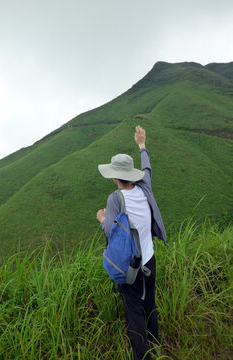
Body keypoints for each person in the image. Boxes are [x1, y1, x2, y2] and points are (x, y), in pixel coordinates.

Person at [96, 125, 166, 360]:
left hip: (131, 268)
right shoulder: (145, 186)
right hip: (150, 259)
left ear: (115, 177)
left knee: (134, 312)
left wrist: (103, 219)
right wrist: (142, 144)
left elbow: (112, 234)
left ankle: (143, 357)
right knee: (150, 304)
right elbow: (147, 167)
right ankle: (155, 347)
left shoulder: (114, 199)